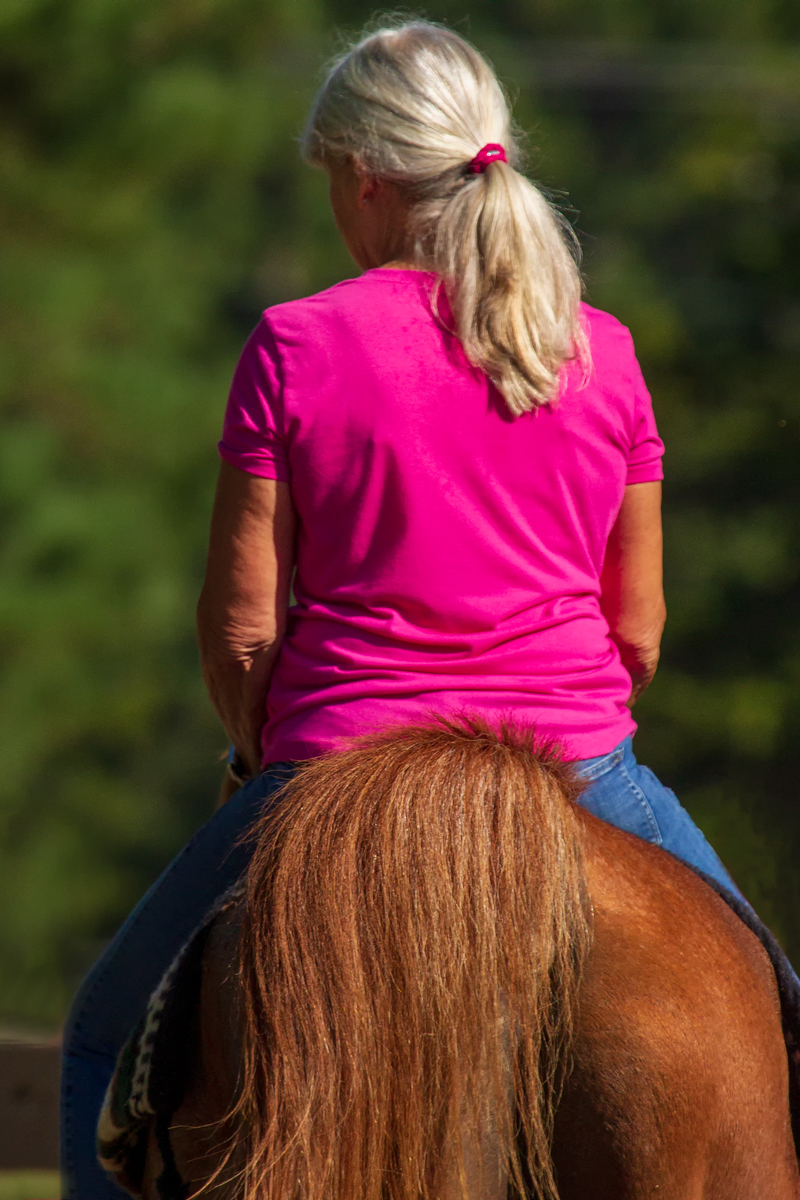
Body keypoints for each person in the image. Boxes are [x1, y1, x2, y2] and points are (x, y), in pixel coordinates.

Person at [60, 21, 748, 1197]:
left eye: (331, 181)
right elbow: (637, 629)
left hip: (339, 759)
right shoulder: (604, 351)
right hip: (580, 759)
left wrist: (253, 747)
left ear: (363, 177)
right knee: (767, 1012)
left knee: (100, 1043)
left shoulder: (295, 343)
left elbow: (241, 630)